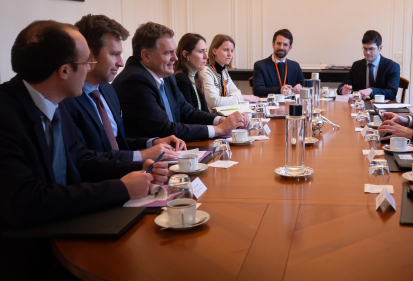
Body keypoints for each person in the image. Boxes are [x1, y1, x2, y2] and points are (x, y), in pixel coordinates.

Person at [0, 20, 168, 279]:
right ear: (64, 71)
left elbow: (82, 160)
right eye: (87, 63)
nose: (90, 70)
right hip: (29, 256)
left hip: (71, 225)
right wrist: (121, 188)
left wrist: (139, 168)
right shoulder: (6, 114)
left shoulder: (58, 102)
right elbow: (27, 202)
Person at [63, 14, 186, 162]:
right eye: (114, 54)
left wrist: (152, 143)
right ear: (89, 55)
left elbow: (119, 143)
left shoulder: (108, 91)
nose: (121, 63)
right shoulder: (67, 99)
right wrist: (142, 156)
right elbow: (84, 160)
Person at [112, 22, 248, 142]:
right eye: (168, 53)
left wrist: (220, 120)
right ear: (146, 55)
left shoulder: (165, 75)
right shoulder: (135, 81)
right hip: (150, 159)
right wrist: (218, 130)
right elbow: (165, 130)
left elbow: (187, 111)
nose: (175, 58)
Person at [338, 30, 400, 100]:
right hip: (360, 106)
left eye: (371, 49)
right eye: (365, 48)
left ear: (380, 48)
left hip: (384, 107)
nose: (367, 52)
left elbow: (392, 93)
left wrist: (371, 90)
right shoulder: (356, 65)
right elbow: (344, 85)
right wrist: (342, 89)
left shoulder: (392, 66)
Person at [201, 34, 259, 109]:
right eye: (226, 50)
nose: (230, 54)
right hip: (212, 117)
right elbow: (215, 102)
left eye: (232, 51)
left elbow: (237, 92)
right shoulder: (206, 72)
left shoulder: (223, 70)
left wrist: (228, 99)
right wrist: (242, 97)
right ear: (214, 51)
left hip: (223, 112)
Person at [252, 29, 305, 96]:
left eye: (285, 44)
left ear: (290, 48)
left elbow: (304, 84)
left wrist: (300, 87)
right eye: (279, 43)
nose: (281, 47)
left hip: (292, 105)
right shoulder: (260, 65)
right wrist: (279, 90)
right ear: (273, 44)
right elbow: (258, 90)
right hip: (271, 105)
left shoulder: (295, 66)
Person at [173, 33, 210, 112]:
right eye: (200, 52)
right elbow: (189, 117)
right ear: (185, 54)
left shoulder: (196, 75)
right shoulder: (181, 79)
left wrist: (221, 120)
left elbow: (205, 111)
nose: (206, 56)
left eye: (206, 51)